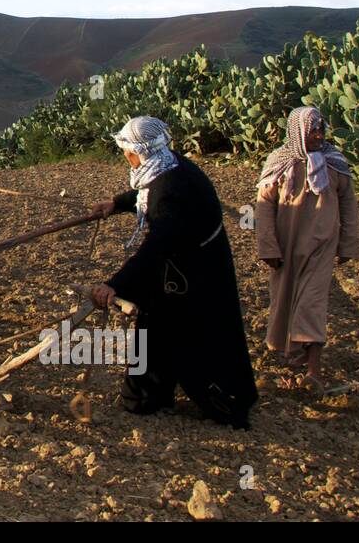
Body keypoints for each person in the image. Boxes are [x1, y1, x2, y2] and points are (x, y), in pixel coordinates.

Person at [86, 116, 258, 428]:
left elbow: (156, 245)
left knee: (194, 337)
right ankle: (150, 395)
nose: (126, 156)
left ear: (137, 152)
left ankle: (225, 401)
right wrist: (116, 203)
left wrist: (115, 285)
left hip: (193, 278)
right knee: (161, 330)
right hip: (187, 268)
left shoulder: (171, 190)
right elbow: (146, 194)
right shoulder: (169, 164)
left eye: (126, 150)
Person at [255, 106, 359, 394]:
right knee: (286, 300)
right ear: (297, 132)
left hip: (322, 245)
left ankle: (314, 369)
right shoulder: (280, 163)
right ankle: (296, 352)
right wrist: (267, 246)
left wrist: (348, 243)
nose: (318, 135)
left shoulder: (335, 163)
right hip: (286, 247)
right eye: (312, 130)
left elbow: (349, 205)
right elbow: (264, 208)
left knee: (312, 304)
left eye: (321, 129)